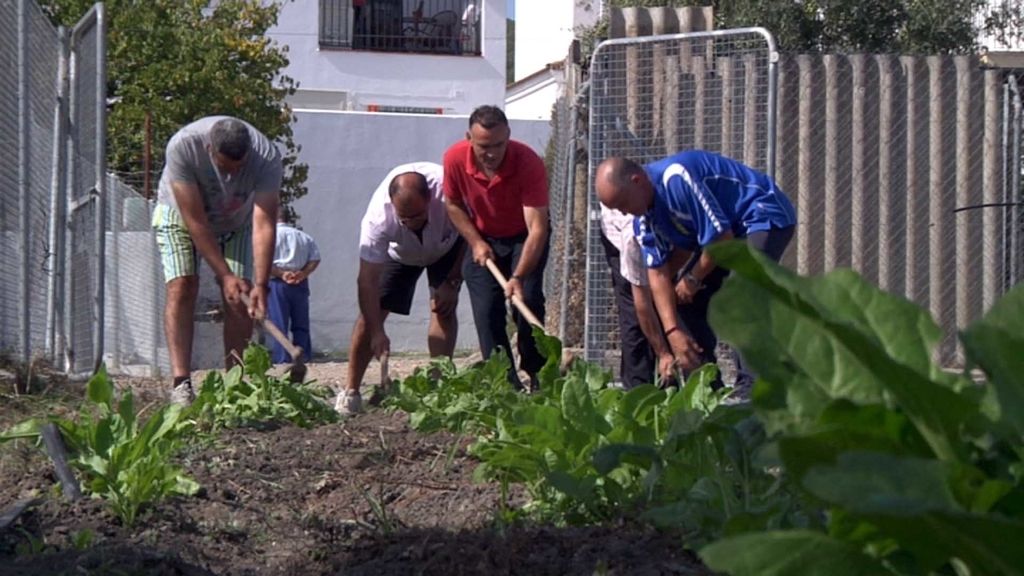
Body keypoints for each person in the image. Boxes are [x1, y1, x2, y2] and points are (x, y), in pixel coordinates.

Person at [595, 150, 796, 384]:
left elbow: (722, 238)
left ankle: (753, 390)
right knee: (682, 303)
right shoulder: (644, 221)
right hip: (727, 237)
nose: (622, 212)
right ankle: (707, 388)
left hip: (761, 216)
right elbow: (658, 276)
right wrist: (672, 332)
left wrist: (692, 279)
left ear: (636, 181)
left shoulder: (676, 179)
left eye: (622, 203)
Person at [152, 116, 281, 405]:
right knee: (183, 286)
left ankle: (233, 385)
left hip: (235, 221)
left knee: (241, 296)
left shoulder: (267, 157)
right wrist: (224, 274)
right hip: (182, 217)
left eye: (240, 167)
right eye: (225, 167)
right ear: (210, 149)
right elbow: (195, 221)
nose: (232, 176)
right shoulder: (183, 147)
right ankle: (181, 384)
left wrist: (261, 283)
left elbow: (263, 223)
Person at [339, 162, 465, 414]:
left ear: (431, 198)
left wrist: (452, 280)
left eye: (417, 217)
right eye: (404, 218)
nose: (411, 223)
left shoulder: (450, 190)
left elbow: (471, 232)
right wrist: (377, 333)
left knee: (443, 308)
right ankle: (351, 393)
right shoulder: (378, 219)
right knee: (369, 317)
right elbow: (367, 281)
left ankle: (437, 392)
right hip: (400, 255)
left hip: (447, 247)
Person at [443, 105, 550, 390]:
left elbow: (537, 229)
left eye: (499, 144)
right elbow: (452, 204)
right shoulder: (454, 159)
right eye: (483, 146)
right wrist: (476, 242)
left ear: (509, 137)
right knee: (487, 309)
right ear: (469, 138)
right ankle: (506, 384)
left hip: (523, 237)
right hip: (483, 238)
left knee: (528, 299)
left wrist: (517, 277)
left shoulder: (528, 162)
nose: (492, 153)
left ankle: (538, 374)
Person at [600, 206, 674, 388]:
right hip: (620, 236)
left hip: (669, 237)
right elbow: (642, 303)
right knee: (633, 316)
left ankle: (680, 388)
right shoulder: (634, 237)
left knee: (676, 306)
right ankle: (637, 391)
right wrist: (663, 352)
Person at [268, 213, 321, 364]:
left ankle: (283, 358)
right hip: (300, 282)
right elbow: (315, 258)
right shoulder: (303, 236)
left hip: (277, 283)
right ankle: (303, 355)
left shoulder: (269, 236)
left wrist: (281, 273)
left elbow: (262, 261)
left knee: (279, 323)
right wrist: (303, 273)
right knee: (301, 322)